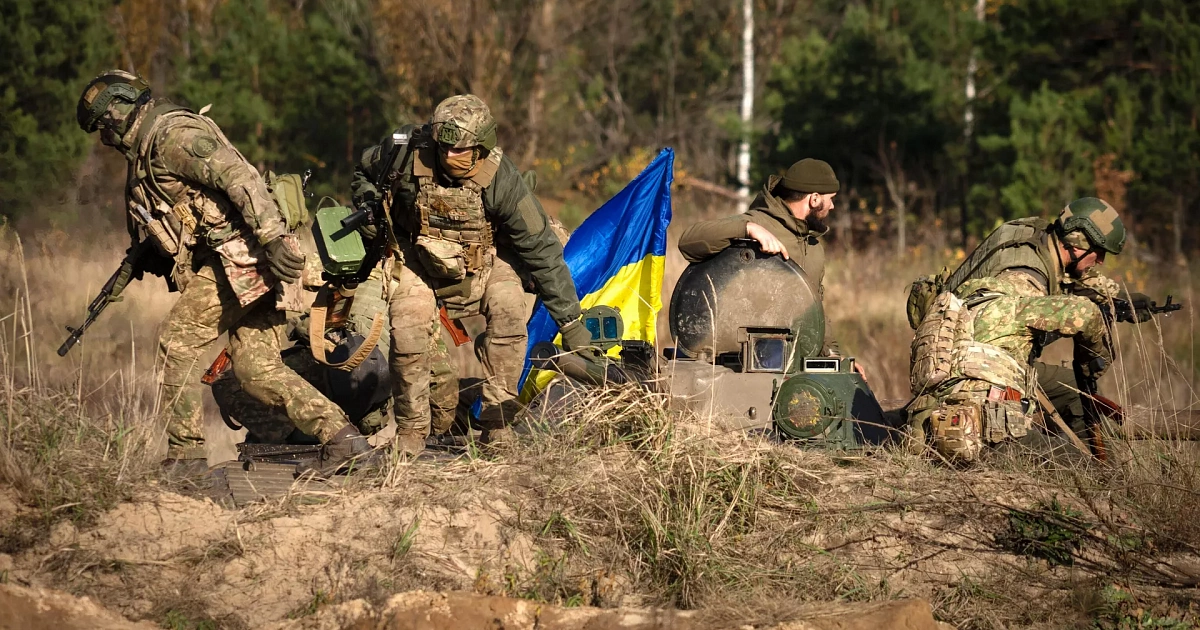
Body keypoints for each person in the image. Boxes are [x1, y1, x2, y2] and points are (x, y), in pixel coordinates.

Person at [76, 70, 373, 476]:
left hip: (245, 258)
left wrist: (271, 239)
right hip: (245, 262)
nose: (103, 140)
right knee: (256, 371)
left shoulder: (170, 136)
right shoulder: (147, 152)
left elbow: (240, 178)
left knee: (175, 341)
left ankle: (186, 457)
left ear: (116, 112)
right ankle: (345, 442)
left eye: (101, 128)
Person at [350, 94, 591, 454]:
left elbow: (542, 250)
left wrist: (570, 323)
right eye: (443, 147)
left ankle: (498, 425)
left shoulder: (502, 180)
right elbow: (361, 174)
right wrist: (370, 202)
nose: (449, 156)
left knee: (509, 315)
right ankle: (412, 431)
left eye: (460, 150)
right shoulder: (403, 151)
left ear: (482, 147)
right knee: (408, 329)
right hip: (419, 256)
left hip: (487, 260)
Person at [908, 197, 1131, 460]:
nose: (1102, 260)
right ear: (1078, 241)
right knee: (1078, 464)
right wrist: (1093, 364)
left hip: (949, 378)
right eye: (1099, 251)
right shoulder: (1026, 280)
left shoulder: (1026, 242)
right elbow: (1084, 314)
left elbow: (1073, 280)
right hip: (982, 414)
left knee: (1071, 389)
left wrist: (1117, 301)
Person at [677, 158, 856, 367]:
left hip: (791, 362)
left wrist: (834, 357)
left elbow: (814, 310)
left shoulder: (814, 246)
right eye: (830, 199)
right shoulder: (758, 222)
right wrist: (747, 229)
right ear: (814, 199)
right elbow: (688, 242)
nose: (832, 206)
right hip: (736, 363)